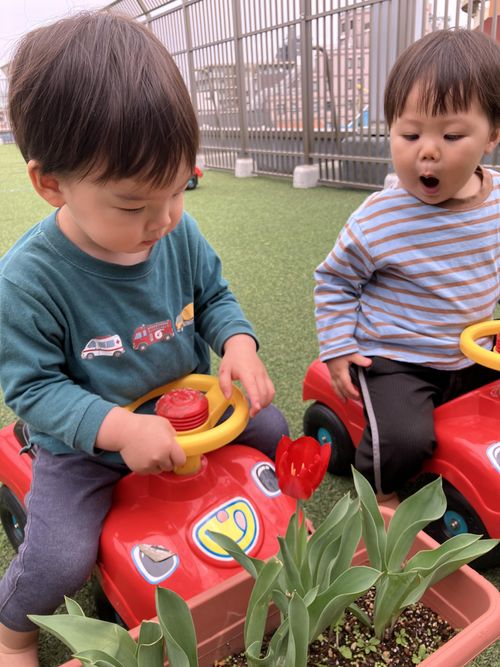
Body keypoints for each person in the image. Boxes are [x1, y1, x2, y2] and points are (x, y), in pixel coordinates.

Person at [0, 12, 288, 666]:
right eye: (134, 205)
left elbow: (213, 298)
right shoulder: (28, 280)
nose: (163, 219)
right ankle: (12, 629)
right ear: (52, 184)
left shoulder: (177, 232)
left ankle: (274, 552)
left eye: (178, 189)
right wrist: (120, 430)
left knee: (272, 430)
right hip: (90, 445)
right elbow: (34, 389)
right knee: (61, 556)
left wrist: (238, 344)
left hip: (192, 413)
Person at [314, 29, 499, 499]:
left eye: (452, 135)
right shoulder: (381, 217)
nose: (427, 150)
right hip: (399, 357)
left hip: (475, 348)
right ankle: (381, 497)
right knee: (404, 438)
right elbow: (335, 281)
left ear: (492, 136)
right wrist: (337, 347)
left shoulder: (497, 199)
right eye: (410, 134)